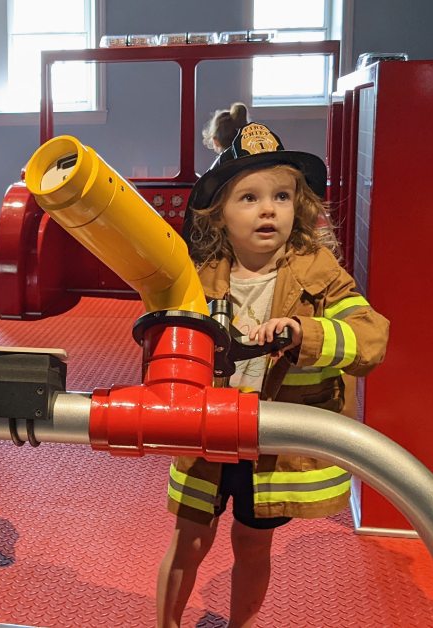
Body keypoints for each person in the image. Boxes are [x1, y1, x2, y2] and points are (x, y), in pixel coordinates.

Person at [157, 123, 389, 627]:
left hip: (272, 444)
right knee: (189, 542)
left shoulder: (319, 272)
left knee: (251, 544)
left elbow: (370, 338)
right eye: (249, 197)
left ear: (298, 208)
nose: (268, 209)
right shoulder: (198, 278)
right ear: (219, 216)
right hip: (207, 439)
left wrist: (305, 334)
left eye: (282, 196)